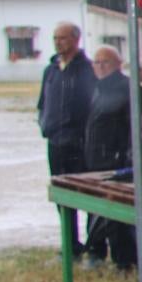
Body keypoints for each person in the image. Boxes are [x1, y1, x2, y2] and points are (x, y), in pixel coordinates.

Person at [37, 20, 93, 251]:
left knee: (85, 193)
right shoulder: (50, 70)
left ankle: (95, 245)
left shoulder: (86, 68)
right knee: (60, 194)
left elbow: (90, 103)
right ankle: (70, 243)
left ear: (76, 39)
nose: (58, 43)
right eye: (55, 38)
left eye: (63, 38)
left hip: (78, 141)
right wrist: (45, 124)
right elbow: (43, 102)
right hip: (55, 140)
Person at [82, 47, 136, 268]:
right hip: (93, 156)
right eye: (96, 62)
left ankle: (124, 260)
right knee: (96, 207)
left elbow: (132, 126)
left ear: (117, 64)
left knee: (117, 214)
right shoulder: (96, 88)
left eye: (105, 62)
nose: (100, 67)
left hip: (116, 158)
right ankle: (96, 251)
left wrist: (127, 155)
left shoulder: (126, 87)